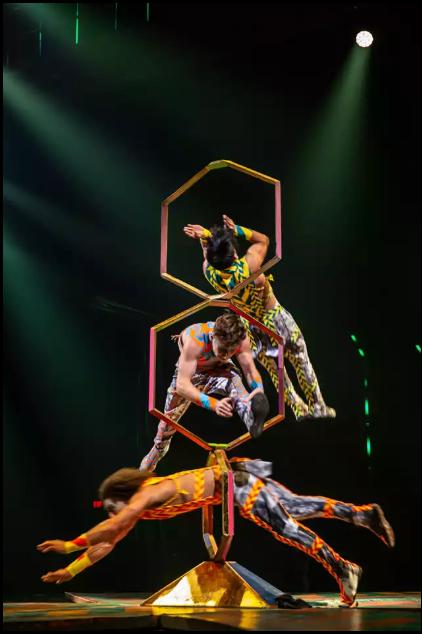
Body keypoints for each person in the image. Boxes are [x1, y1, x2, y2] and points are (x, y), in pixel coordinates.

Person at [37, 457, 395, 608]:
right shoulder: (138, 508)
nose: (112, 514)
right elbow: (109, 540)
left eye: (111, 506)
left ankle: (344, 568)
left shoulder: (146, 494)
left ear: (121, 495)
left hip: (237, 484)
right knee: (297, 507)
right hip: (238, 481)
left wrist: (69, 545)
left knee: (287, 527)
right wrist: (70, 569)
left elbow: (112, 527)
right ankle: (363, 515)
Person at [183, 215, 336, 422]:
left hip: (252, 326)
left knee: (276, 370)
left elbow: (209, 254)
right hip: (274, 319)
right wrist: (236, 229)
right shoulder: (248, 266)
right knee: (299, 358)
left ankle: (297, 407)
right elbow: (263, 240)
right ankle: (317, 405)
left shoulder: (209, 272)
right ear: (233, 252)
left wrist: (207, 236)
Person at [139, 312, 270, 471]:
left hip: (219, 370)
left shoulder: (240, 339)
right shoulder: (195, 339)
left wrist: (259, 391)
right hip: (191, 375)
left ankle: (250, 416)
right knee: (168, 422)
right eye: (223, 349)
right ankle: (156, 452)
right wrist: (214, 404)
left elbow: (249, 369)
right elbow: (182, 385)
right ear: (213, 336)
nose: (226, 355)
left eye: (231, 351)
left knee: (235, 382)